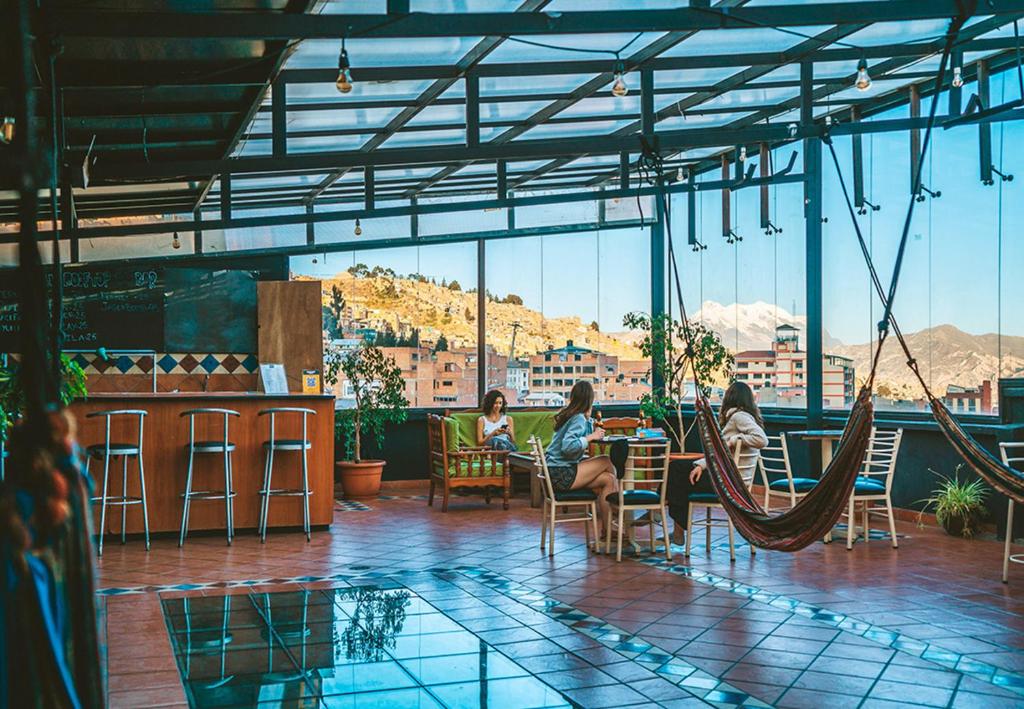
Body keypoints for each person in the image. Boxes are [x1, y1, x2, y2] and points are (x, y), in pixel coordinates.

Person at [666, 381, 768, 545]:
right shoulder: (742, 417)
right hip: (730, 479)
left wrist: (734, 440)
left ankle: (663, 509)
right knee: (680, 472)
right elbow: (718, 454)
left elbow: (762, 439)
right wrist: (701, 465)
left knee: (677, 470)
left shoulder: (738, 417)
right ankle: (675, 526)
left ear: (729, 398)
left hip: (728, 483)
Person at [545, 380, 619, 539]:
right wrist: (591, 436)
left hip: (554, 473)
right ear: (589, 399)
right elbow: (568, 447)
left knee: (609, 479)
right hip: (561, 474)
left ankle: (608, 531)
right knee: (606, 460)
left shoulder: (571, 415)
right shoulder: (577, 418)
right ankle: (620, 507)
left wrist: (589, 420)